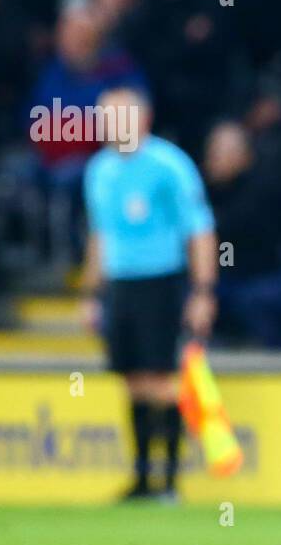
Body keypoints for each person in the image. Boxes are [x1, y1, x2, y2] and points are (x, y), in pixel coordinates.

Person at [80, 87, 218, 501]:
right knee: (132, 381)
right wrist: (91, 294)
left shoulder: (169, 166)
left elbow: (200, 230)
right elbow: (99, 236)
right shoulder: (98, 171)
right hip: (120, 286)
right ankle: (142, 480)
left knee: (162, 380)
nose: (107, 124)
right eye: (103, 116)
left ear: (143, 118)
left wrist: (203, 291)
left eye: (116, 115)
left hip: (162, 282)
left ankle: (170, 481)